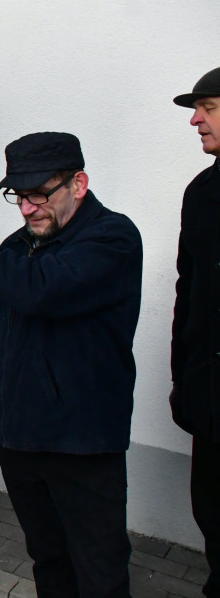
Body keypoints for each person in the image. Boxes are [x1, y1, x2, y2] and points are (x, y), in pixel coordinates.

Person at [0, 132, 142, 598]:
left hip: (82, 444)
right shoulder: (19, 244)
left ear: (79, 183)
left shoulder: (112, 238)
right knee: (49, 559)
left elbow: (39, 290)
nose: (28, 208)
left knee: (99, 568)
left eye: (40, 194)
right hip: (19, 438)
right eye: (19, 196)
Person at [171, 67, 220, 597]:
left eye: (207, 106)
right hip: (210, 405)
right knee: (213, 518)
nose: (194, 119)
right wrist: (183, 381)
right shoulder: (202, 191)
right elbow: (189, 296)